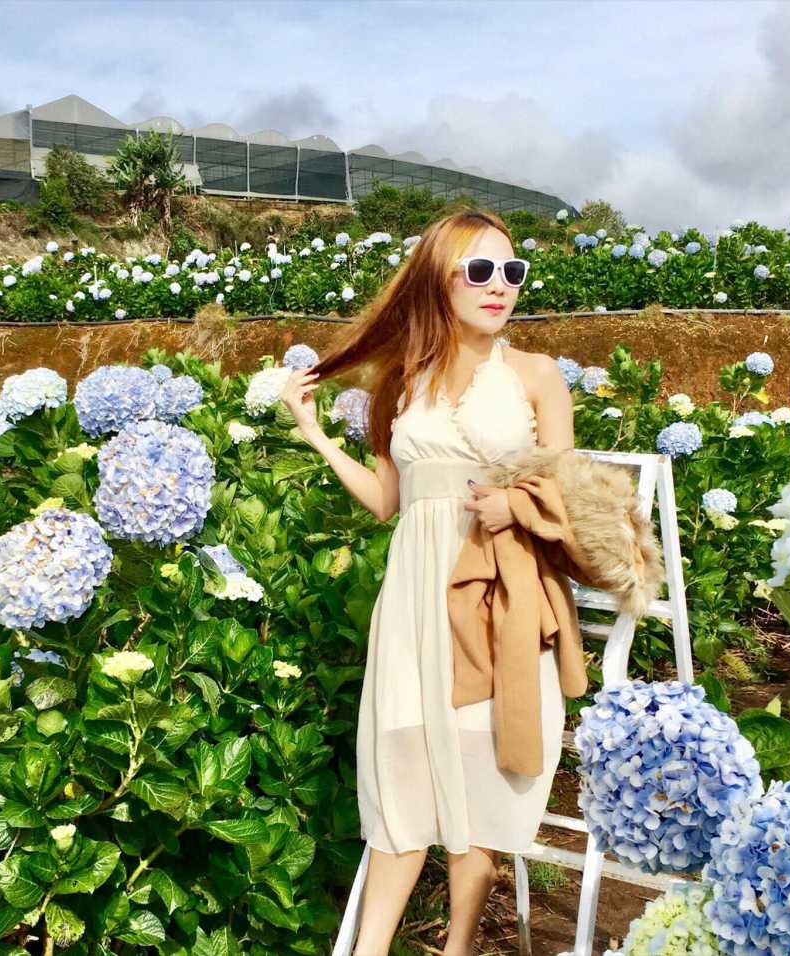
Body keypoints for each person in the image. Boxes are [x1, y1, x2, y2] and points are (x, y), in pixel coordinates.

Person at [279, 210, 576, 956]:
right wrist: (316, 436)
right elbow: (388, 501)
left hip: (495, 592)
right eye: (479, 271)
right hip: (414, 598)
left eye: (513, 271)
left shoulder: (536, 375)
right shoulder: (402, 379)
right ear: (438, 281)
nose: (500, 286)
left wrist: (516, 505)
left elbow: (569, 494)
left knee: (478, 774)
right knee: (404, 770)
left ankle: (459, 945)